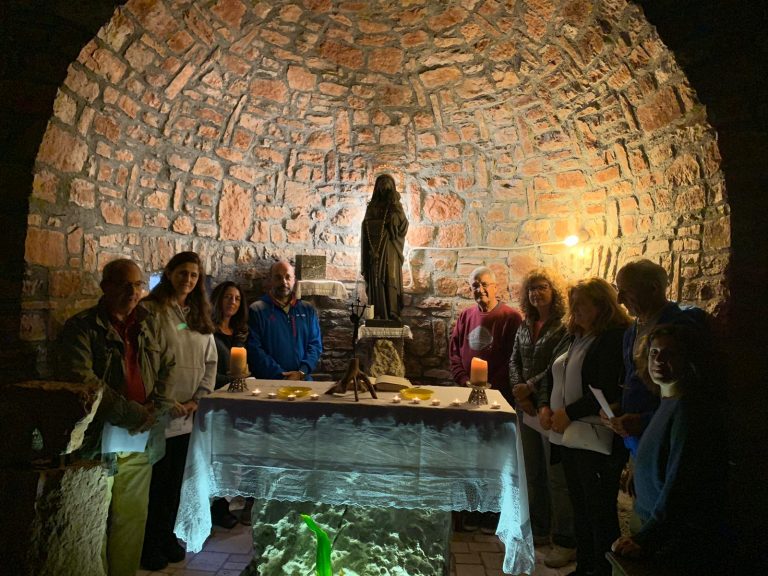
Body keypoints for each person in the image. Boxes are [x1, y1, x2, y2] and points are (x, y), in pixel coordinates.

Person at [57, 258, 174, 576]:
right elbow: (82, 379)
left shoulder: (149, 323)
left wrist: (156, 407)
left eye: (138, 285)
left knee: (132, 516)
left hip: (142, 435)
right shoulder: (82, 327)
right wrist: (131, 413)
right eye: (124, 285)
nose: (133, 292)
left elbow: (168, 365)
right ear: (105, 287)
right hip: (98, 438)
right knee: (94, 517)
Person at [611, 324, 725, 574]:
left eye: (670, 354)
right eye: (654, 353)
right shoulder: (668, 401)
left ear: (688, 359)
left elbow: (680, 481)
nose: (659, 360)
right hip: (649, 520)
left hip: (663, 534)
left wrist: (647, 538)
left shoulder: (686, 409)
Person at [539, 278, 631, 576]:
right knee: (580, 505)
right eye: (573, 303)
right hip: (569, 435)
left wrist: (568, 413)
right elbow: (553, 374)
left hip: (594, 435)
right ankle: (585, 567)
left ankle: (602, 570)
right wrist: (545, 406)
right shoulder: (575, 336)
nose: (575, 309)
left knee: (598, 509)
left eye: (582, 304)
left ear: (602, 306)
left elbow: (605, 387)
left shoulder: (612, 338)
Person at [140, 252, 217, 571]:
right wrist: (164, 400)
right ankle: (149, 543)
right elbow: (146, 360)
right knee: (155, 482)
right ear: (169, 273)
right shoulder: (151, 310)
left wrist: (199, 398)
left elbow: (210, 361)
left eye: (194, 275)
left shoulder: (198, 315)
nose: (188, 279)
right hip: (162, 410)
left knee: (175, 481)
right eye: (182, 272)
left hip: (188, 412)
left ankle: (167, 535)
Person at [508, 268, 575, 567]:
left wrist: (530, 388)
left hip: (549, 408)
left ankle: (563, 536)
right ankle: (538, 528)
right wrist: (519, 391)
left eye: (542, 287)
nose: (536, 293)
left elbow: (555, 366)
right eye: (532, 288)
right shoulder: (525, 324)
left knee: (554, 476)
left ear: (553, 291)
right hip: (526, 407)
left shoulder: (563, 326)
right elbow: (513, 360)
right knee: (532, 472)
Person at [449, 265, 522, 533]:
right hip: (467, 396)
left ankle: (492, 512)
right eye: (475, 285)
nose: (479, 290)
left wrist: (491, 387)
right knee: (469, 455)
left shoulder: (510, 317)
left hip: (497, 399)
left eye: (484, 284)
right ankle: (470, 509)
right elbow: (454, 351)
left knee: (494, 456)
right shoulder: (466, 316)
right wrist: (463, 380)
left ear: (495, 287)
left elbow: (514, 357)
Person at [609, 259, 708, 453]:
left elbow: (691, 390)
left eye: (626, 291)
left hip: (668, 437)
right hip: (635, 440)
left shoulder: (680, 327)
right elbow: (634, 379)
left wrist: (645, 420)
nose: (619, 300)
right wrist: (619, 407)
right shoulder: (631, 332)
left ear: (653, 288)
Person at [209, 281, 249, 528]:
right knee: (217, 456)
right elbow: (208, 371)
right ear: (218, 300)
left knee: (232, 456)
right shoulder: (209, 331)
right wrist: (233, 379)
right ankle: (215, 508)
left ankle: (226, 503)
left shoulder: (239, 333)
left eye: (236, 298)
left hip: (235, 400)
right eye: (227, 297)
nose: (232, 302)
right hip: (216, 398)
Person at [247, 260, 323, 380]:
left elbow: (315, 345)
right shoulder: (257, 310)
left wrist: (302, 372)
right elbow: (254, 349)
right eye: (278, 277)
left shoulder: (308, 310)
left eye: (288, 277)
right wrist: (281, 376)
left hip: (302, 380)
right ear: (270, 280)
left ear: (294, 280)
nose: (284, 282)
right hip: (269, 382)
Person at [361, 174, 409, 321]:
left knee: (390, 277)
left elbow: (403, 226)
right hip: (374, 248)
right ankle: (378, 312)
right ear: (377, 188)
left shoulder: (396, 206)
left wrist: (395, 218)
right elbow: (365, 225)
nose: (384, 187)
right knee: (376, 279)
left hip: (390, 248)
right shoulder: (372, 207)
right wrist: (379, 223)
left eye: (387, 184)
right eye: (382, 184)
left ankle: (393, 311)